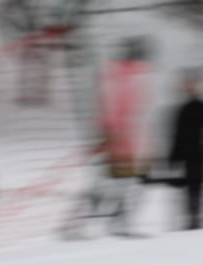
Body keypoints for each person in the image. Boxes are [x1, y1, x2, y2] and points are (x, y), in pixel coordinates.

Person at [62, 38, 156, 239]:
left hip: (124, 142)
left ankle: (109, 224)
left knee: (119, 184)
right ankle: (77, 225)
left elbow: (133, 112)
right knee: (110, 185)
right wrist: (110, 133)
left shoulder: (125, 73)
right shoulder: (124, 75)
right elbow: (114, 108)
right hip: (118, 142)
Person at [163, 69, 203, 230]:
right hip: (185, 154)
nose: (189, 88)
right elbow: (176, 135)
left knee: (196, 187)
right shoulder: (181, 110)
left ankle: (195, 218)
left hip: (198, 153)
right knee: (187, 188)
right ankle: (191, 218)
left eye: (192, 85)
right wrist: (172, 157)